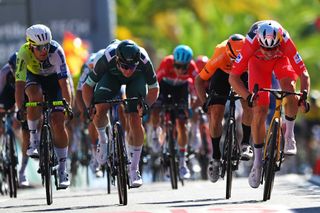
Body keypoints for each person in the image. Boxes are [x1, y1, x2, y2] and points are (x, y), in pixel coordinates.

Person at [229, 20, 310, 188]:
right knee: (260, 109)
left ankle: (289, 136)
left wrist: (304, 96)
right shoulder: (250, 42)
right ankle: (257, 163)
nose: (268, 52)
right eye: (265, 48)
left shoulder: (286, 41)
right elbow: (233, 77)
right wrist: (248, 96)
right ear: (259, 42)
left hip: (282, 61)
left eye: (273, 48)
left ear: (279, 42)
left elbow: (304, 74)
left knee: (290, 91)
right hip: (258, 65)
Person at [82, 39, 159, 188]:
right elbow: (87, 86)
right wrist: (89, 106)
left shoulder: (144, 60)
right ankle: (103, 141)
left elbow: (154, 89)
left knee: (135, 117)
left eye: (132, 66)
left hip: (137, 80)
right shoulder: (107, 58)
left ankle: (134, 169)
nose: (128, 71)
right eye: (124, 66)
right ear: (117, 60)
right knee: (100, 106)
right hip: (111, 77)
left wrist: (146, 105)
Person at [15, 24, 73, 189]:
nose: (43, 51)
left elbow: (64, 84)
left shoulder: (56, 51)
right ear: (31, 46)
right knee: (34, 95)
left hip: (55, 81)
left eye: (46, 46)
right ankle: (34, 140)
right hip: (35, 78)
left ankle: (62, 170)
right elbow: (19, 86)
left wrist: (67, 106)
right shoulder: (23, 52)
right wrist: (20, 108)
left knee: (58, 122)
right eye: (39, 47)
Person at [195, 34, 253, 183]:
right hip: (222, 74)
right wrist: (204, 102)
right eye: (233, 59)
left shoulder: (251, 52)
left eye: (239, 59)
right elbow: (199, 81)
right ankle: (215, 157)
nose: (236, 62)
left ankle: (246, 143)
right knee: (215, 112)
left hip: (243, 75)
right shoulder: (220, 54)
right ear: (228, 53)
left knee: (249, 104)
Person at [150, 44, 199, 179]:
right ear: (173, 62)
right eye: (177, 66)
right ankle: (155, 132)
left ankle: (183, 163)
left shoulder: (193, 68)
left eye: (183, 67)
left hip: (181, 89)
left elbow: (197, 86)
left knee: (182, 125)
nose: (179, 70)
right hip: (164, 87)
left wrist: (194, 103)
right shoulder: (166, 62)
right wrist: (151, 101)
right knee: (156, 108)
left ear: (188, 64)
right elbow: (155, 82)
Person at [0, 52, 30, 187]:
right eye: (14, 70)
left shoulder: (28, 71)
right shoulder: (5, 72)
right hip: (7, 95)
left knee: (27, 130)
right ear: (10, 67)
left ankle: (22, 171)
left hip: (23, 93)